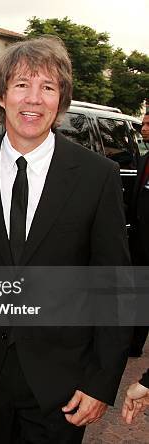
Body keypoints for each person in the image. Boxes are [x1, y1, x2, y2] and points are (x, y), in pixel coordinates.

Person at [0, 36, 131, 443]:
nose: (34, 100)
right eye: (22, 85)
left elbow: (115, 283)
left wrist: (101, 381)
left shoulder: (96, 176)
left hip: (61, 386)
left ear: (61, 100)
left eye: (48, 87)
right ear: (2, 95)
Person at [129, 111, 149, 357]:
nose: (143, 128)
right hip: (140, 243)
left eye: (148, 124)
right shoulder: (143, 160)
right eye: (143, 123)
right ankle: (133, 342)